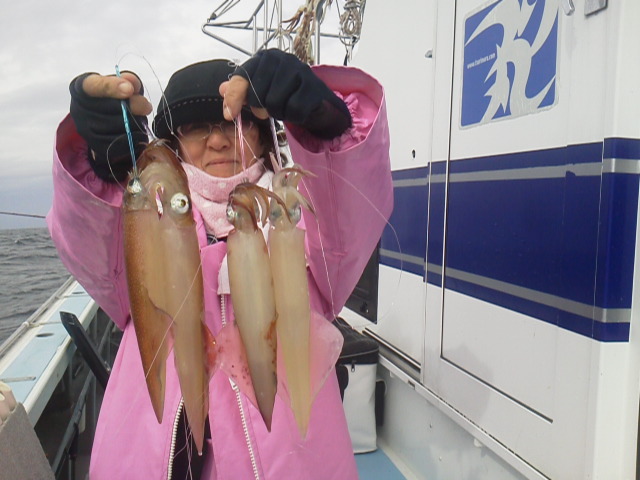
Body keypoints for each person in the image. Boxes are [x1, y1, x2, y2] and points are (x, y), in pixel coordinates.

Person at [47, 48, 392, 479]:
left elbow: (354, 205)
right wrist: (100, 163)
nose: (218, 140)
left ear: (263, 135)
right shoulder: (138, 225)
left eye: (236, 121)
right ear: (174, 143)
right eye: (195, 128)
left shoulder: (309, 220)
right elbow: (87, 238)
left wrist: (328, 123)